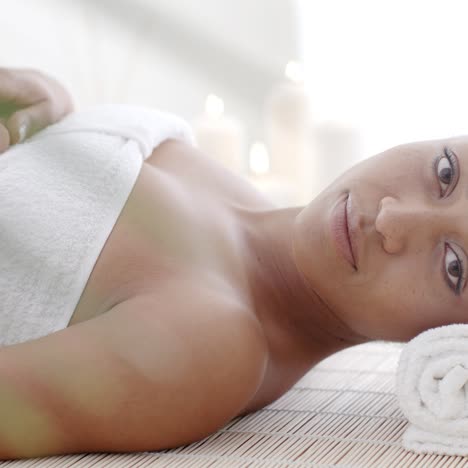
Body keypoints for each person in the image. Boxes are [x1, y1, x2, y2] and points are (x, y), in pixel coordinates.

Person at [0, 66, 465, 459]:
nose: (391, 218)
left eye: (454, 267)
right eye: (446, 173)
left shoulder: (210, 345)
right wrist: (52, 105)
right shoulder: (239, 196)